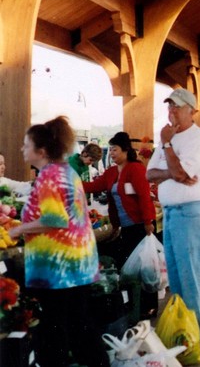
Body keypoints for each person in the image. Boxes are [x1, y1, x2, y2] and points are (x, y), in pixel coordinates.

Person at [8, 116, 109, 367]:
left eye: (26, 145)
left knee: (59, 333)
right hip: (76, 265)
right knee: (78, 328)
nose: (22, 149)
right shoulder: (65, 171)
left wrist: (19, 229)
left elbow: (55, 219)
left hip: (60, 269)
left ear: (40, 151)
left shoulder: (50, 176)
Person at [146, 88, 200, 358]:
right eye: (169, 106)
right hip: (173, 214)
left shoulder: (198, 138)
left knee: (193, 279)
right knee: (176, 279)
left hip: (192, 213)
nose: (171, 111)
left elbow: (182, 172)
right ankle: (184, 335)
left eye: (177, 107)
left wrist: (167, 149)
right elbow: (151, 173)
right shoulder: (168, 139)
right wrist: (173, 173)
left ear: (192, 111)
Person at [82, 131, 158, 319]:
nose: (112, 154)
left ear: (125, 150)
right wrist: (70, 182)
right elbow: (94, 186)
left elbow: (144, 197)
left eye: (115, 150)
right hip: (125, 226)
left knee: (145, 266)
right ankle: (134, 304)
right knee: (130, 266)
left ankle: (149, 305)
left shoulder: (136, 169)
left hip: (140, 224)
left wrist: (148, 222)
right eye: (112, 150)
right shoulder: (111, 172)